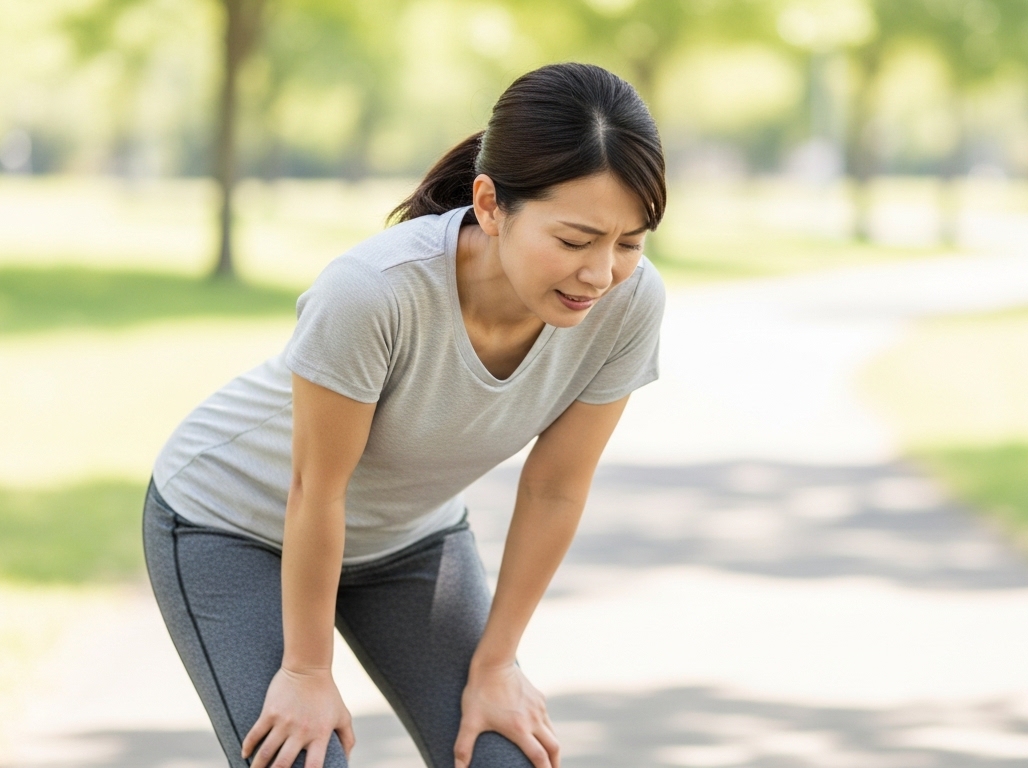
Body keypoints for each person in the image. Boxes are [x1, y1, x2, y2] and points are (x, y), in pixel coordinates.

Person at [141, 61, 667, 768]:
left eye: (629, 243)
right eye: (575, 241)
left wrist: (497, 663)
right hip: (234, 519)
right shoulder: (373, 293)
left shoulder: (628, 305)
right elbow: (316, 489)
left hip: (406, 538)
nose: (600, 273)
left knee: (502, 755)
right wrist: (306, 673)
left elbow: (556, 487)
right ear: (489, 204)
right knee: (301, 758)